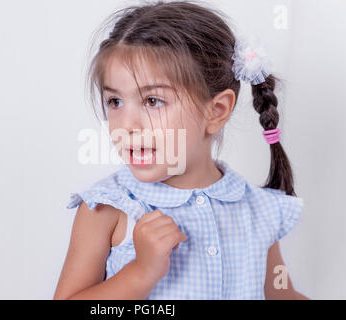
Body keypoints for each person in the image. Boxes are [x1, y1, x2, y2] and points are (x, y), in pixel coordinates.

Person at [54, 0, 308, 300]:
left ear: (216, 111)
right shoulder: (107, 209)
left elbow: (280, 295)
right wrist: (141, 273)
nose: (127, 124)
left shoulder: (258, 210)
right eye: (115, 102)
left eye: (152, 101)